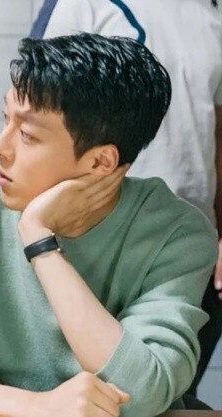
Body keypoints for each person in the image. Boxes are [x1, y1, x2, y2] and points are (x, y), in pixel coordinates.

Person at [0, 33, 217, 417]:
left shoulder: (176, 232)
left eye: (27, 135)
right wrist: (36, 407)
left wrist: (39, 240)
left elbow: (144, 392)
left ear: (100, 162)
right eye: (6, 119)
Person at [30, 0, 222, 397]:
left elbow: (218, 130)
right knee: (72, 395)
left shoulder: (211, 12)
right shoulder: (81, 4)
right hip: (89, 244)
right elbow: (36, 110)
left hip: (184, 254)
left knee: (157, 397)